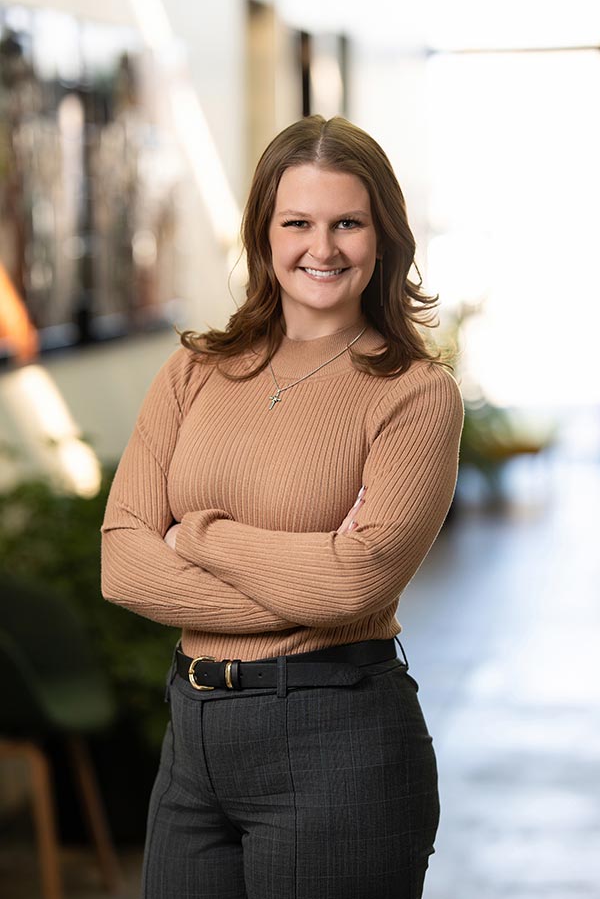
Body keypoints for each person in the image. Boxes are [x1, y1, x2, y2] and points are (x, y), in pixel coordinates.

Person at [100, 114, 464, 899]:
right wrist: (302, 572)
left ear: (384, 236)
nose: (322, 249)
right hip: (192, 746)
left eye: (348, 224)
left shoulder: (414, 394)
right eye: (297, 222)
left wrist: (195, 533)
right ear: (264, 234)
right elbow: (122, 565)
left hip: (338, 744)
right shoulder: (195, 371)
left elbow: (354, 585)